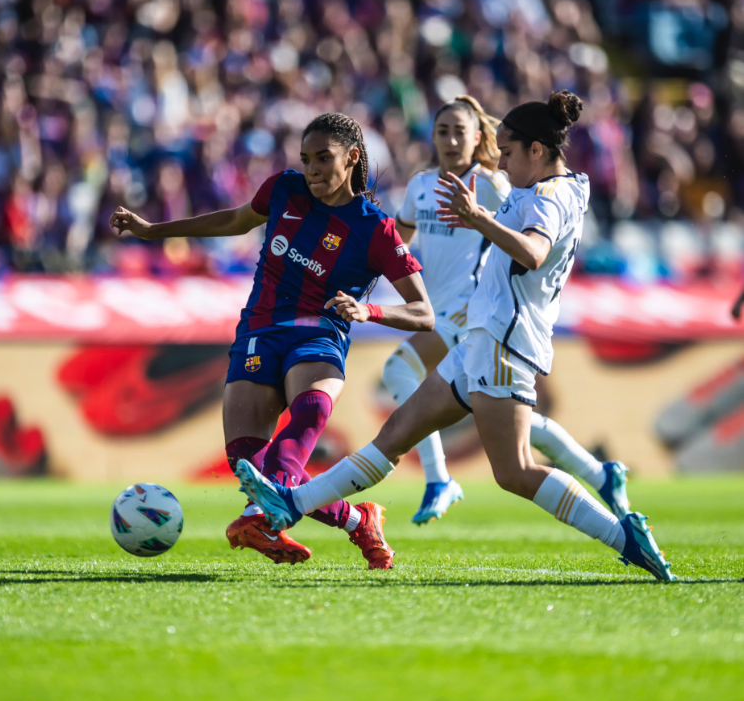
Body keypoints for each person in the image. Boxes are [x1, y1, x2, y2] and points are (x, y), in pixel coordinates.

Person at [234, 91, 676, 582]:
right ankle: (290, 503)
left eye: (507, 152)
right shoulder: (550, 189)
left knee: (515, 471)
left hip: (503, 341)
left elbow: (531, 253)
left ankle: (623, 534)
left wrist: (478, 218)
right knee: (395, 435)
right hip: (478, 340)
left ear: (536, 150)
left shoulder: (549, 197)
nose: (501, 163)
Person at [111, 112, 433, 570]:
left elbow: (425, 313)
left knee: (308, 416)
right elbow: (234, 220)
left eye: (324, 158)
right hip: (260, 331)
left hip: (318, 336)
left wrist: (369, 310)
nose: (313, 169)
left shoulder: (375, 228)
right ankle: (356, 519)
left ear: (353, 157)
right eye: (306, 159)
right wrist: (152, 231)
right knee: (248, 464)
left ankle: (259, 517)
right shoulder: (284, 188)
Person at [388, 95, 630, 525]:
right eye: (441, 131)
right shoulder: (421, 185)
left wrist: (482, 219)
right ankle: (600, 473)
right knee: (499, 413)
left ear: (477, 137)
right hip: (441, 309)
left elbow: (529, 238)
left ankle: (437, 478)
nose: (449, 139)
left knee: (399, 372)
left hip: (474, 312)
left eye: (459, 131)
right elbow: (396, 242)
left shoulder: (498, 184)